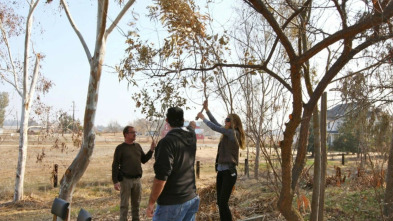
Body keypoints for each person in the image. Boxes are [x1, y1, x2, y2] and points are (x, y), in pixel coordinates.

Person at [146, 107, 200, 221]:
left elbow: (161, 178)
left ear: (167, 120)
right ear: (182, 119)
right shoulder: (191, 135)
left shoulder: (166, 142)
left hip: (172, 203)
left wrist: (151, 202)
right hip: (191, 198)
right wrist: (192, 124)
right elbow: (192, 127)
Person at [196, 100, 246, 221]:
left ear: (234, 122)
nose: (225, 121)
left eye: (228, 120)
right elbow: (216, 124)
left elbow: (214, 127)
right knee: (220, 202)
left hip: (229, 172)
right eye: (225, 119)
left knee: (223, 202)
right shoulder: (227, 131)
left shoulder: (233, 133)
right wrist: (207, 110)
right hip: (222, 172)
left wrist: (203, 118)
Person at [112, 126, 156, 221]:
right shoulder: (120, 148)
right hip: (125, 180)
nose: (135, 134)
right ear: (126, 134)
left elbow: (144, 160)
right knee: (124, 205)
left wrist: (151, 150)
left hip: (137, 180)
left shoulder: (137, 146)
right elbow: (115, 165)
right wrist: (115, 181)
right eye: (132, 132)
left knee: (136, 205)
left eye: (135, 132)